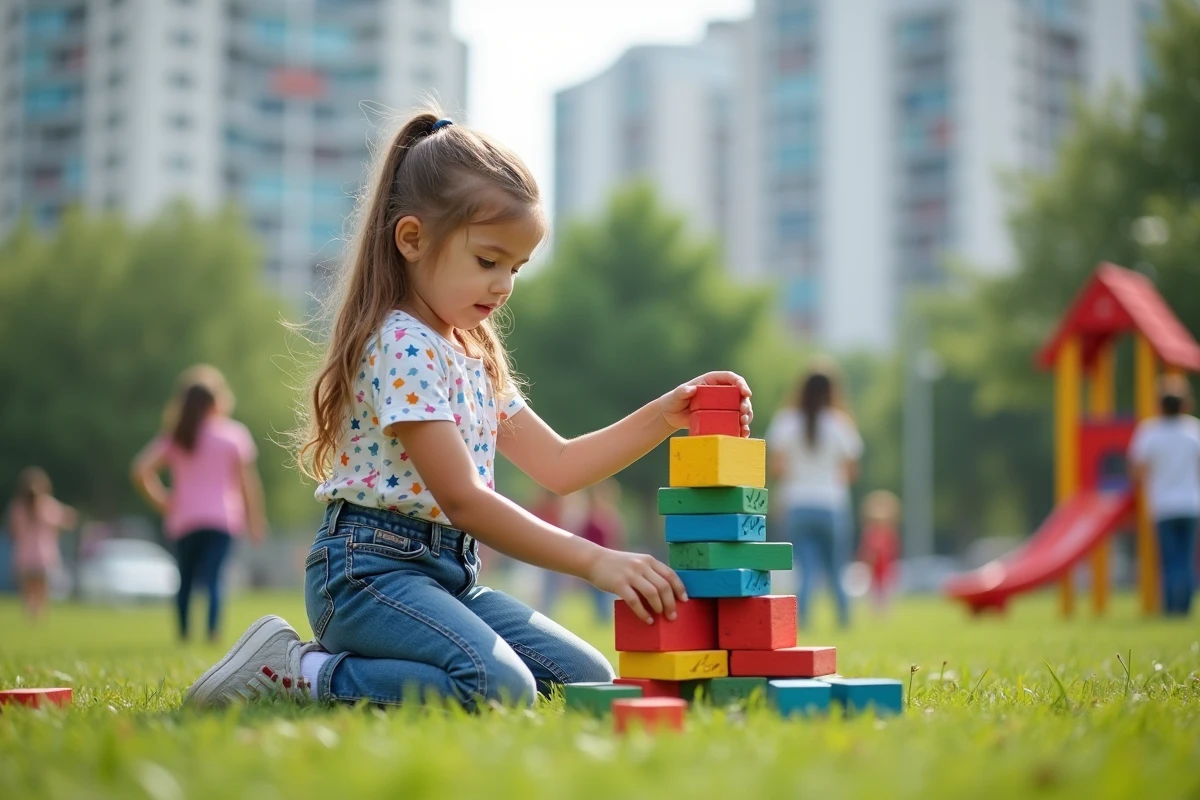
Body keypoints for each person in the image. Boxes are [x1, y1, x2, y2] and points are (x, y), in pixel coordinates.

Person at [182, 111, 753, 710]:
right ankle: (302, 672)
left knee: (585, 678)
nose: (504, 283)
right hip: (366, 577)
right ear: (412, 240)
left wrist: (665, 415)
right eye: (488, 260)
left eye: (517, 267)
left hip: (451, 579)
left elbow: (558, 465)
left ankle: (385, 664)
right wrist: (595, 561)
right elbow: (463, 499)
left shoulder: (472, 355)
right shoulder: (402, 345)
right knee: (499, 687)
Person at [132, 365, 268, 643]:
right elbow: (248, 484)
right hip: (222, 519)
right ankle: (213, 633)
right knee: (214, 579)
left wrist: (162, 500)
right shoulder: (233, 435)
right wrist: (255, 520)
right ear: (217, 402)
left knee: (185, 580)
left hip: (185, 519)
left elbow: (140, 469)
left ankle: (183, 634)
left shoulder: (178, 436)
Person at [766, 362, 862, 628]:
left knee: (806, 568)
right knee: (836, 569)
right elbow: (852, 470)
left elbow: (777, 468)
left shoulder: (786, 422)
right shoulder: (840, 423)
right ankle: (843, 619)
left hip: (796, 504)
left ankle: (803, 620)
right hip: (831, 504)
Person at [1129, 375, 1200, 617]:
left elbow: (1138, 470)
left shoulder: (1149, 432)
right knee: (1187, 559)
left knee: (1170, 561)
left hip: (1163, 506)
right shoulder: (1193, 430)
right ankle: (1186, 608)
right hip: (1191, 504)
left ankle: (1171, 609)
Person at [5, 467, 77, 620]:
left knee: (28, 591)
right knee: (41, 591)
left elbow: (12, 530)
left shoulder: (17, 507)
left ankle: (30, 617)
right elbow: (66, 520)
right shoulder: (47, 505)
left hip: (24, 553)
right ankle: (39, 619)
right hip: (44, 554)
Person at [857, 490, 901, 614]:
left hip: (885, 568)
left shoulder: (889, 534)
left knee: (885, 591)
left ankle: (884, 611)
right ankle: (876, 611)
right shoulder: (869, 533)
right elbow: (865, 551)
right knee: (874, 591)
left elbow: (892, 551)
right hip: (873, 568)